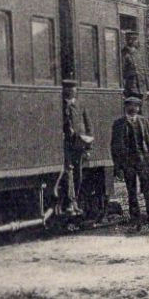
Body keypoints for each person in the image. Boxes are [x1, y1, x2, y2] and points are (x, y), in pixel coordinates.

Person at [110, 96, 149, 233]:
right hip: (128, 163)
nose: (133, 108)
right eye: (130, 106)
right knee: (132, 193)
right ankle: (135, 223)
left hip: (144, 161)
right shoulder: (118, 124)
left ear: (139, 108)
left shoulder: (144, 122)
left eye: (136, 106)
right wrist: (118, 167)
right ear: (126, 108)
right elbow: (115, 147)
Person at [59, 80, 94, 220]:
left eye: (73, 88)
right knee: (68, 171)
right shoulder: (61, 105)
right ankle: (70, 202)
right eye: (69, 88)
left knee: (78, 174)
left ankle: (76, 200)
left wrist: (89, 144)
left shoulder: (80, 105)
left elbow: (88, 124)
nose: (72, 90)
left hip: (79, 144)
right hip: (65, 144)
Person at [120, 32, 149, 105]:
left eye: (135, 39)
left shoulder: (139, 54)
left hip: (141, 88)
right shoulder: (124, 54)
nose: (135, 41)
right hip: (130, 88)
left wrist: (148, 89)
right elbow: (121, 72)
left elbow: (145, 71)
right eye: (131, 39)